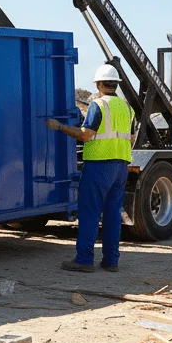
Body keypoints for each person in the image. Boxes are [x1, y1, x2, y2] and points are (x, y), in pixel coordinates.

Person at [47, 64, 132, 273]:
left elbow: (85, 135)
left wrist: (60, 127)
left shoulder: (98, 105)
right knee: (113, 214)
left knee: (90, 212)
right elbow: (130, 138)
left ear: (99, 84)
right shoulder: (126, 108)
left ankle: (84, 259)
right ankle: (111, 261)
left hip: (100, 165)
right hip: (121, 166)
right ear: (116, 84)